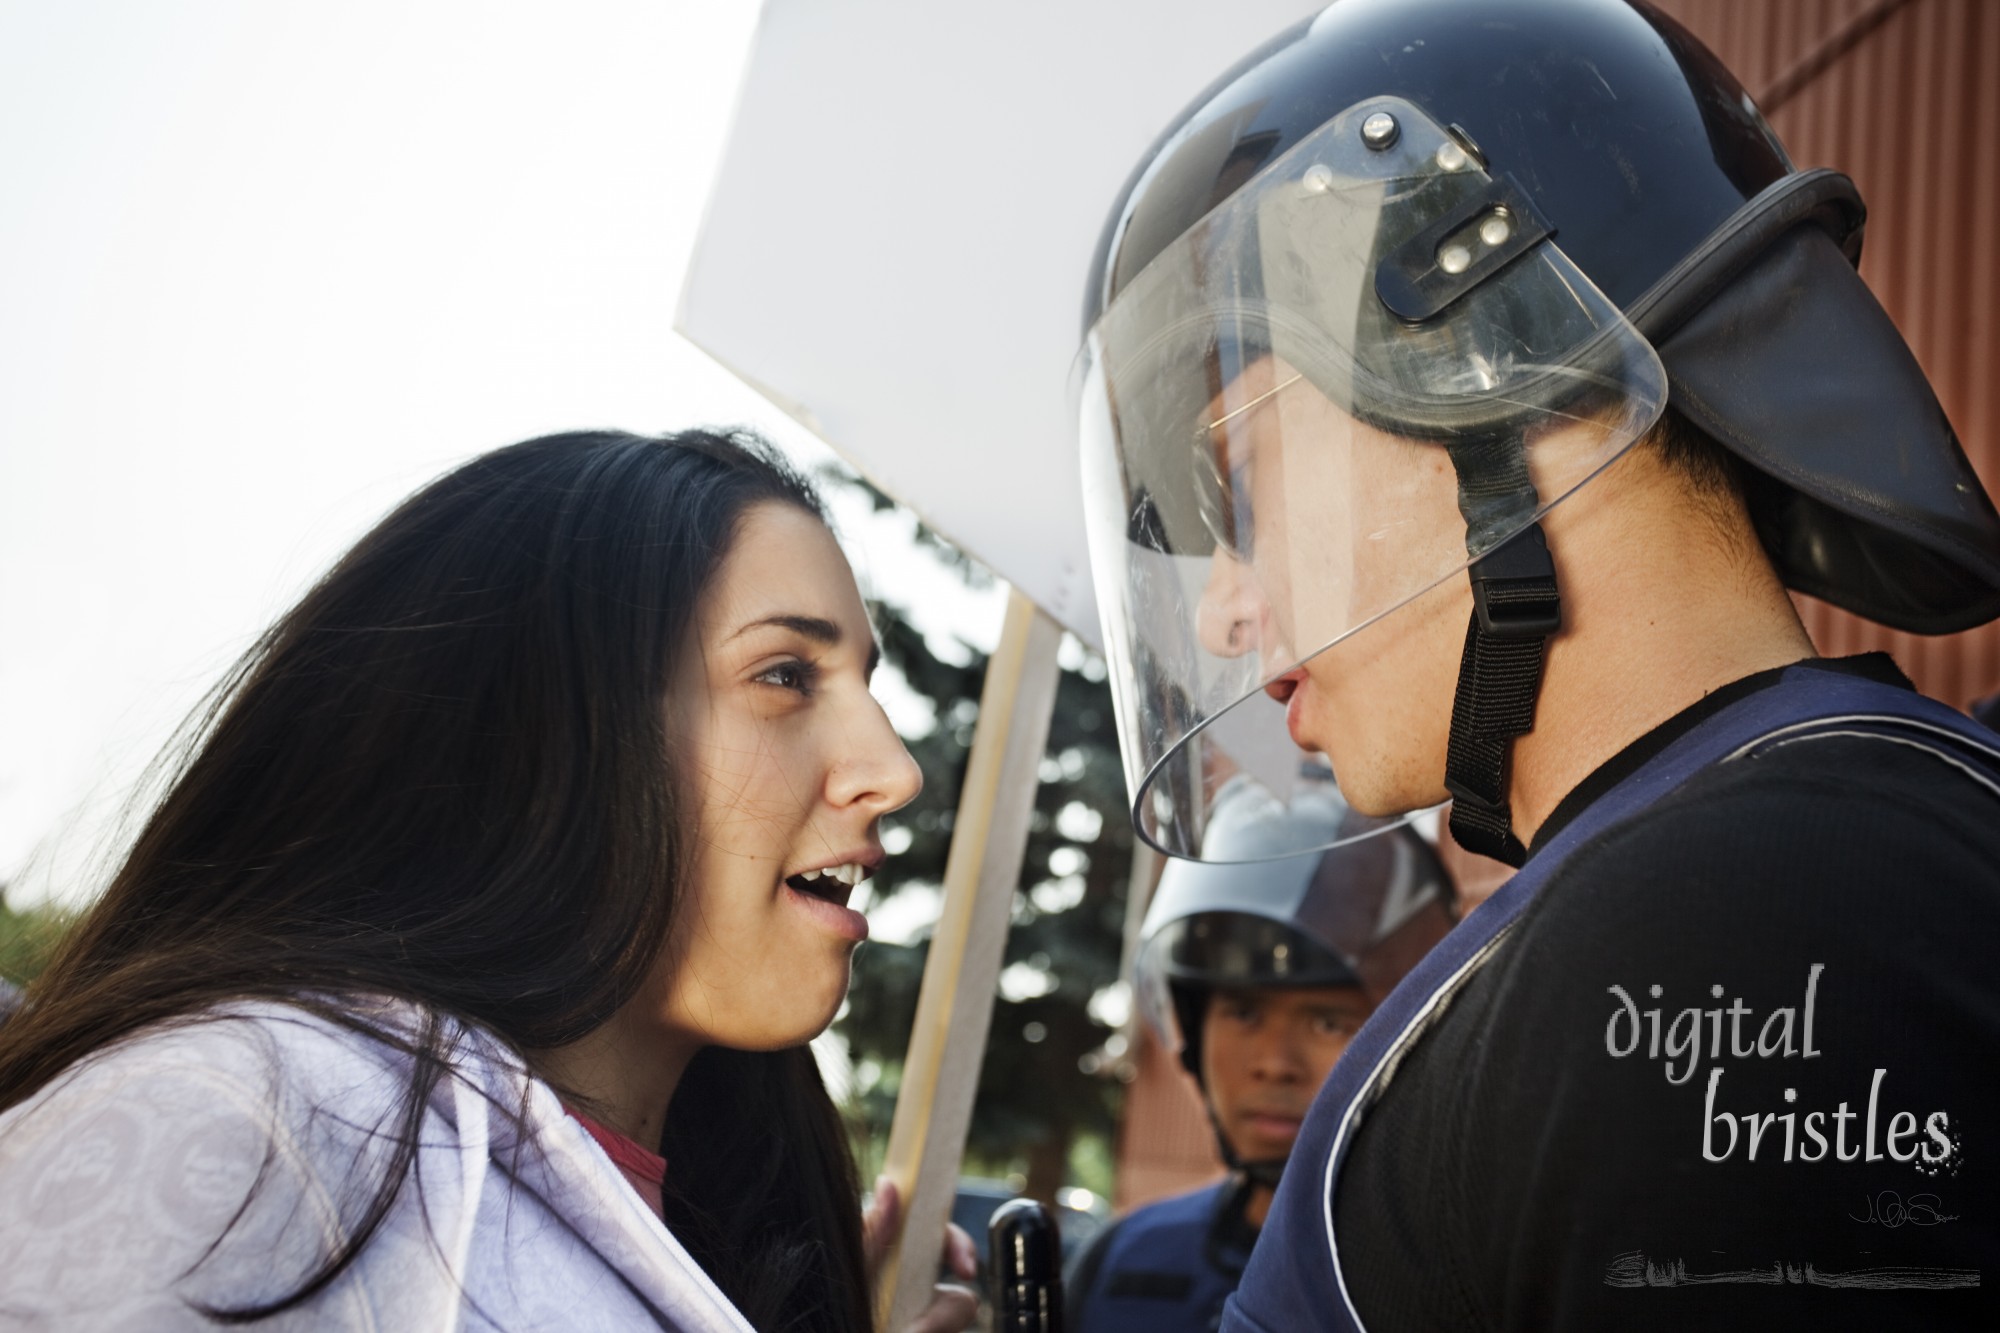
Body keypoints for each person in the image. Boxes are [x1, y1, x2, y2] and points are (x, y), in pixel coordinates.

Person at [1075, 0, 2000, 1328]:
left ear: (1501, 377)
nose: (1225, 615)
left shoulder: (1722, 931)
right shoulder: (1773, 867)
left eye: (1245, 495)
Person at [0, 430, 976, 1332]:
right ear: (545, 731)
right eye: (782, 675)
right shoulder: (246, 1116)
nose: (892, 769)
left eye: (863, 684)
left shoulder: (722, 1223)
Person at [1066, 787, 1455, 1333]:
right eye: (1244, 1013)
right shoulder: (1123, 1261)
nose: (1274, 1064)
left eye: (1327, 1022)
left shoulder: (1456, 1286)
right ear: (1196, 1030)